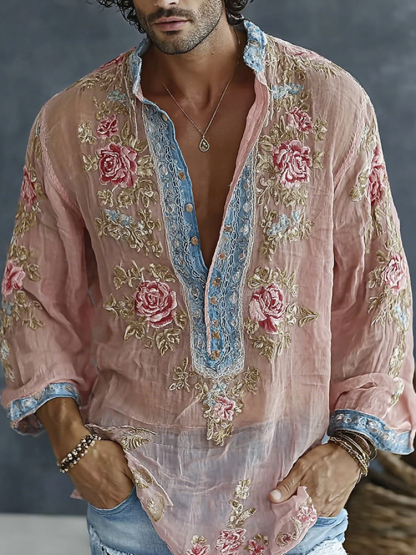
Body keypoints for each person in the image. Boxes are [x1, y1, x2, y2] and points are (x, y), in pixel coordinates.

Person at [1, 1, 415, 554]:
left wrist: (351, 449)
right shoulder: (73, 121)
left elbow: (378, 287)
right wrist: (73, 447)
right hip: (138, 499)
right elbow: (32, 296)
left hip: (294, 497)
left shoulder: (327, 100)